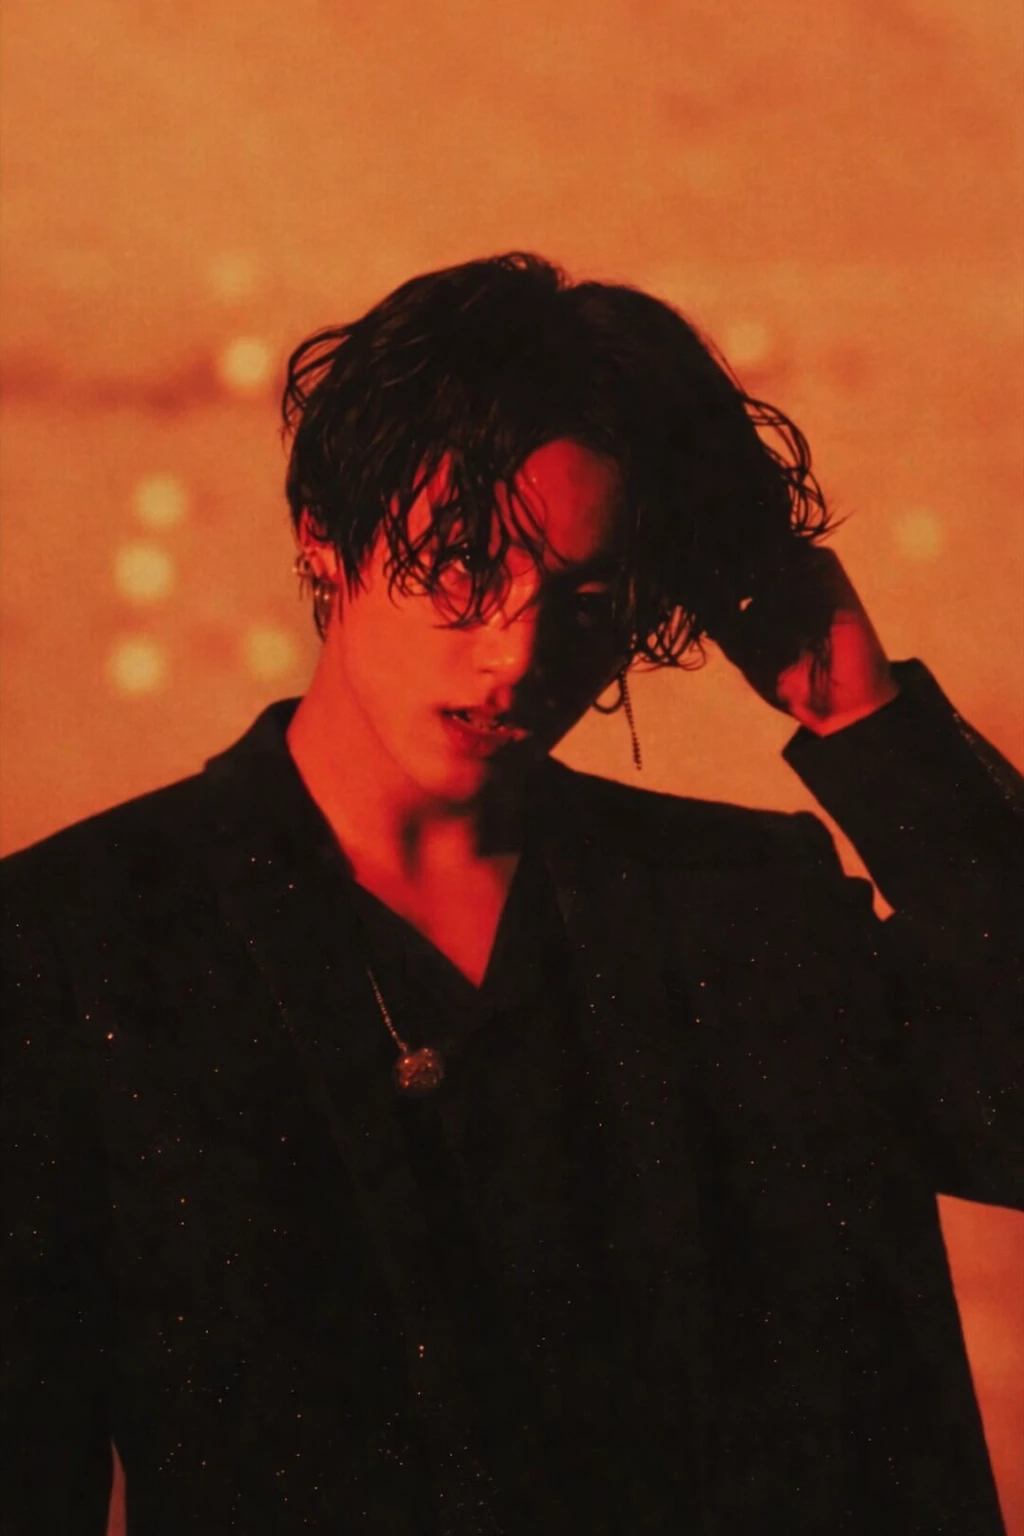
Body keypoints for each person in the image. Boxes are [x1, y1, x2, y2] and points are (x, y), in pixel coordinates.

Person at [2, 253, 1021, 1536]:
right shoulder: (82, 947)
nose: (519, 652)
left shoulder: (733, 912)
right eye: (463, 567)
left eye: (585, 598)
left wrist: (861, 714)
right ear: (324, 536)